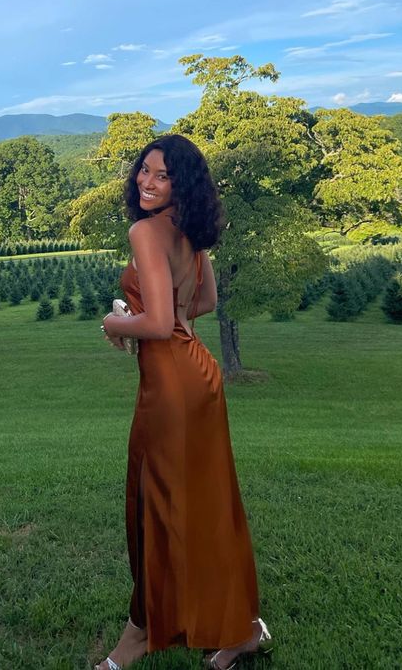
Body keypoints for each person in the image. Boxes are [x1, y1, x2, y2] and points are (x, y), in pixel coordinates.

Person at [95, 134, 272, 670]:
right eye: (144, 171)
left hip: (171, 386)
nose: (147, 182)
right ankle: (241, 630)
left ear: (181, 184)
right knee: (208, 504)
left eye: (162, 175)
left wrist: (114, 320)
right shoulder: (186, 231)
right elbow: (203, 302)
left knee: (157, 508)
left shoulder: (145, 231)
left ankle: (140, 635)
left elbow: (157, 322)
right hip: (199, 374)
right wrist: (147, 309)